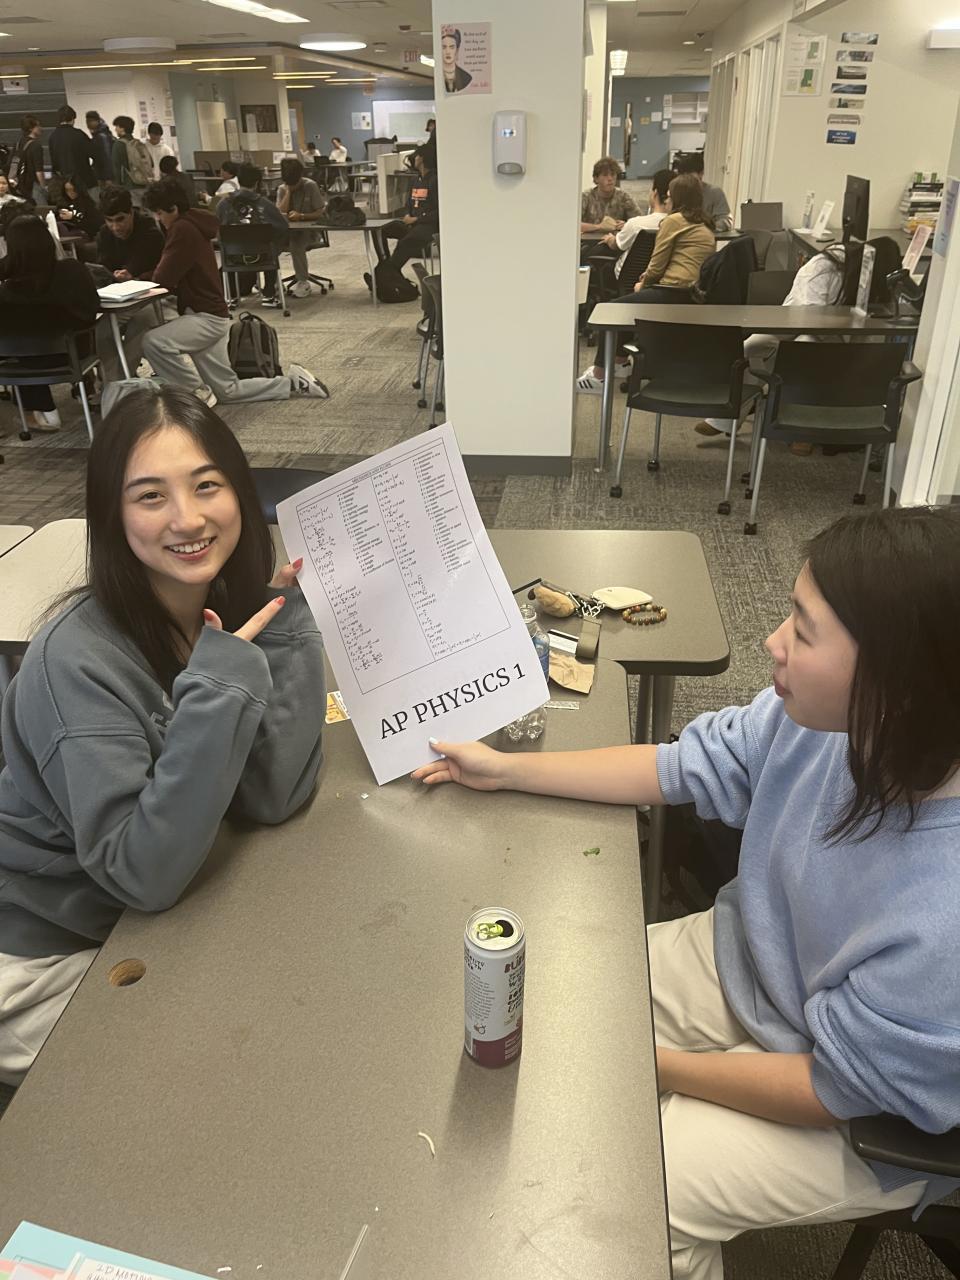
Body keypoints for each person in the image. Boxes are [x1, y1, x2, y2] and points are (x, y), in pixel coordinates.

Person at [412, 504, 960, 1280]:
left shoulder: (946, 907)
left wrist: (654, 1065)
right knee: (542, 1003)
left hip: (865, 1110)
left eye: (803, 633)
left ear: (896, 683)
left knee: (641, 1192)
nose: (773, 642)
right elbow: (677, 767)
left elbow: (833, 1088)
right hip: (756, 968)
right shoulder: (820, 718)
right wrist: (504, 770)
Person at [0, 386, 327, 1085]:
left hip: (141, 910)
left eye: (207, 485)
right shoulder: (74, 661)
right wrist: (221, 687)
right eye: (150, 496)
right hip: (45, 951)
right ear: (111, 516)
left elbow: (272, 794)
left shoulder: (215, 607)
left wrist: (284, 621)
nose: (188, 518)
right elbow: (142, 872)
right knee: (238, 1070)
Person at [697, 235, 904, 452]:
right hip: (793, 323)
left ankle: (801, 428)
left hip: (829, 337)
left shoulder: (870, 283)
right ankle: (725, 419)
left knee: (804, 351)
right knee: (752, 346)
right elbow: (809, 317)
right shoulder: (826, 266)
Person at [140, 178, 328, 405]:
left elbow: (163, 279)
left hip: (204, 318)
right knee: (228, 391)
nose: (158, 219)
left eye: (160, 213)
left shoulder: (181, 229)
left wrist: (136, 279)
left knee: (153, 342)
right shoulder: (195, 222)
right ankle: (292, 383)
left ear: (173, 208)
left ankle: (195, 392)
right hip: (213, 313)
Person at [577, 173, 715, 392]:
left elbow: (657, 264)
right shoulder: (705, 224)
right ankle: (620, 362)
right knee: (628, 304)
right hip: (692, 293)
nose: (667, 202)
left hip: (672, 291)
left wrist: (644, 284)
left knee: (611, 310)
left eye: (670, 197)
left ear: (678, 198)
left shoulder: (673, 221)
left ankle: (598, 376)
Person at [0, 213, 99, 432]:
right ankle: (90, 390)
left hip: (24, 363)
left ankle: (41, 413)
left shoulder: (8, 291)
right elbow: (92, 309)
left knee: (22, 343)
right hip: (75, 354)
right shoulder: (73, 272)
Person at [216, 163, 289, 309]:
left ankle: (232, 296)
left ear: (238, 180)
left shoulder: (223, 204)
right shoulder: (265, 204)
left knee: (229, 244)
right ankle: (269, 294)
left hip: (232, 258)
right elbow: (282, 226)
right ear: (256, 183)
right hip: (263, 257)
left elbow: (218, 228)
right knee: (270, 245)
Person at [366, 147, 438, 290]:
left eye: (416, 156)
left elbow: (439, 210)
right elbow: (408, 204)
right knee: (380, 230)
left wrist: (417, 220)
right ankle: (386, 265)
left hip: (428, 226)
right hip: (412, 223)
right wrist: (407, 214)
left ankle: (384, 275)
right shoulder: (415, 180)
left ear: (422, 158)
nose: (414, 158)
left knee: (405, 243)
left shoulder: (434, 180)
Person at [601, 166, 672, 279]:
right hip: (659, 278)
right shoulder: (678, 225)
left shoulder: (636, 224)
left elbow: (617, 245)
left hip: (627, 278)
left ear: (655, 193)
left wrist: (609, 239)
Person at [275, 157, 326, 297]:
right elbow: (279, 214)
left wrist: (302, 216)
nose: (292, 185)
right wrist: (288, 192)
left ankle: (303, 281)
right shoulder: (282, 189)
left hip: (309, 231)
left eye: (295, 183)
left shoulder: (310, 186)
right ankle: (274, 281)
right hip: (286, 232)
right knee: (270, 244)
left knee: (296, 244)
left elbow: (320, 212)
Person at [96, 184, 164, 279]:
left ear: (131, 213)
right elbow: (103, 268)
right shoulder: (104, 233)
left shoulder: (150, 233)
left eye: (120, 219)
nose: (115, 227)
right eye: (109, 220)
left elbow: (137, 268)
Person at [581, 156, 640, 235]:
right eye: (605, 175)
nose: (610, 179)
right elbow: (573, 224)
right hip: (588, 240)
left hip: (615, 240)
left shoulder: (624, 197)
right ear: (596, 178)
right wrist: (599, 227)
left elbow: (639, 221)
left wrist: (626, 225)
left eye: (613, 175)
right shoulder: (586, 197)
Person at [674, 153, 732, 233]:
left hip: (706, 237)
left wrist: (703, 229)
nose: (687, 182)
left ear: (701, 173)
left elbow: (726, 221)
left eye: (691, 178)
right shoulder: (676, 191)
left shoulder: (714, 192)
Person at [48, 105, 95, 191]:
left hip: (64, 182)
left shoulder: (53, 137)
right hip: (83, 180)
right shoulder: (79, 134)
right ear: (72, 118)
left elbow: (54, 162)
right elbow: (93, 153)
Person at [111, 116, 153, 204]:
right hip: (144, 183)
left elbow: (116, 167)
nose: (115, 129)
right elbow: (151, 163)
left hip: (129, 185)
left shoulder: (118, 145)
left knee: (134, 209)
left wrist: (117, 187)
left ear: (122, 128)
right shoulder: (138, 143)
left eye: (117, 127)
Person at [56, 174, 103, 244]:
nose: (70, 193)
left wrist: (73, 216)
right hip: (68, 233)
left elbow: (93, 224)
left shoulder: (87, 203)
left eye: (73, 190)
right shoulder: (64, 203)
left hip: (86, 234)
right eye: (67, 190)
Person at [13, 115, 46, 205]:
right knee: (42, 210)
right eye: (38, 125)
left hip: (18, 186)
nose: (41, 128)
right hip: (32, 186)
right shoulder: (36, 145)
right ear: (31, 128)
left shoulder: (17, 144)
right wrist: (43, 187)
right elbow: (38, 171)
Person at [86, 111, 115, 187]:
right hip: (102, 174)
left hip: (105, 176)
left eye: (91, 121)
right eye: (87, 121)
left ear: (97, 121)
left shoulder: (102, 136)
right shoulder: (100, 134)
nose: (88, 124)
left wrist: (108, 177)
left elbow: (107, 157)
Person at [440, 27, 473, 93]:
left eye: (452, 47)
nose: (448, 52)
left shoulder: (466, 77)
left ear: (457, 50)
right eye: (444, 47)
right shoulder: (435, 75)